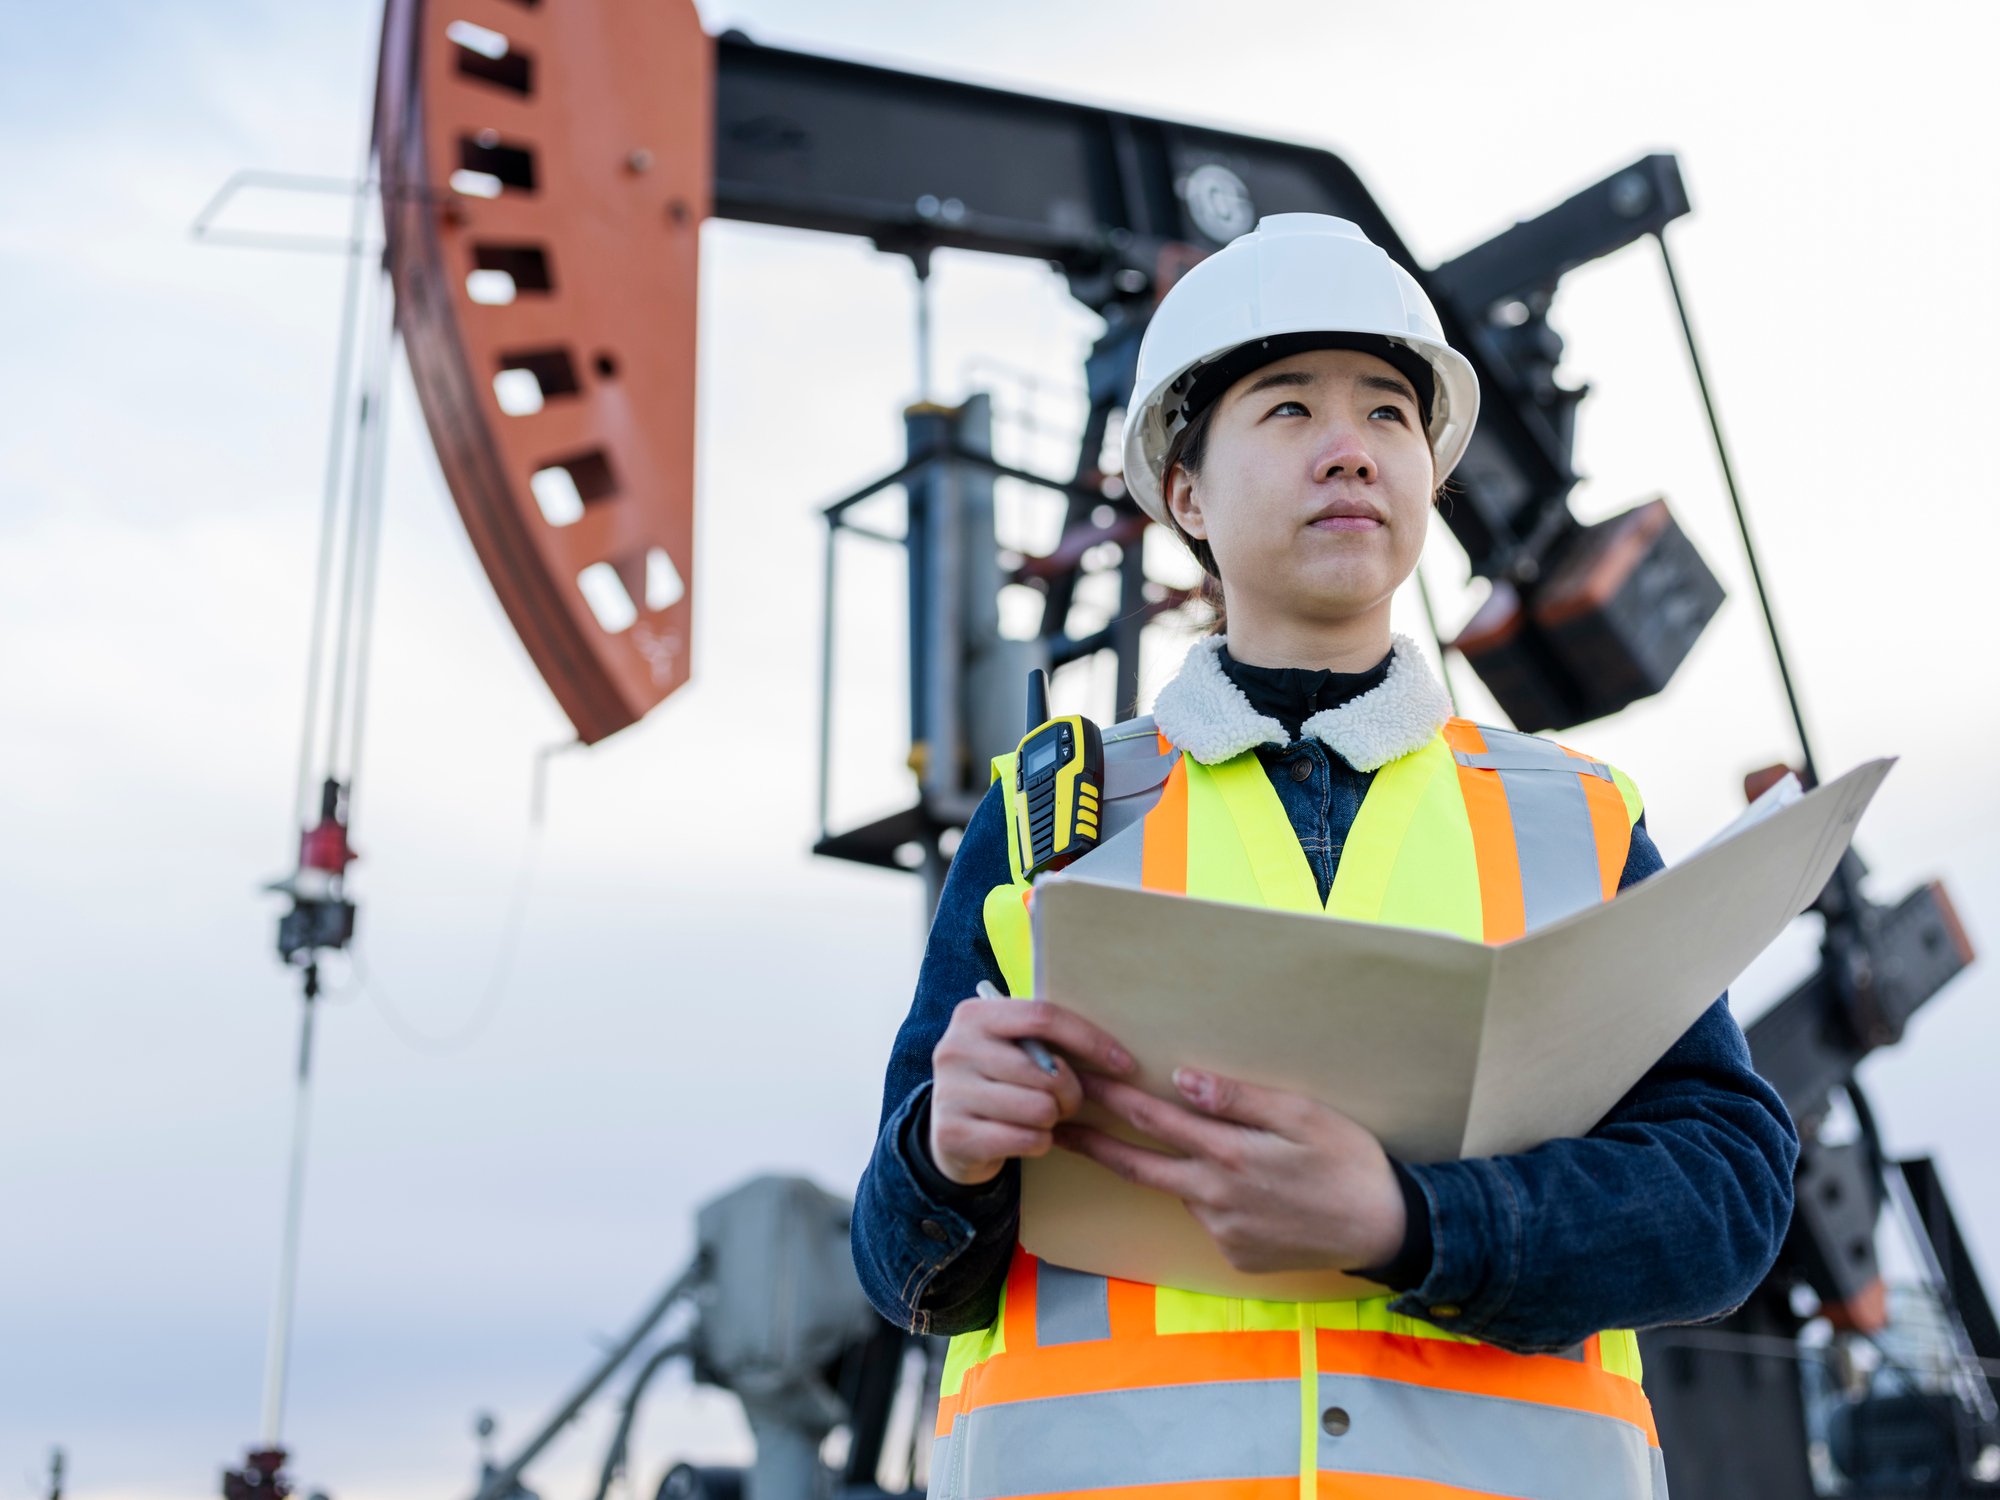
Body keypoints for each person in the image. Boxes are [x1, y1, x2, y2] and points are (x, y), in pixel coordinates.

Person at [851, 213, 1797, 1500]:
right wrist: (938, 1156)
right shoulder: (1042, 819)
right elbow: (896, 1262)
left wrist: (1414, 1226)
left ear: (1429, 477)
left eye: (1390, 418)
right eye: (1288, 410)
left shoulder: (1574, 822)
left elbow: (1726, 1196)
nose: (1350, 450)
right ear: (1182, 491)